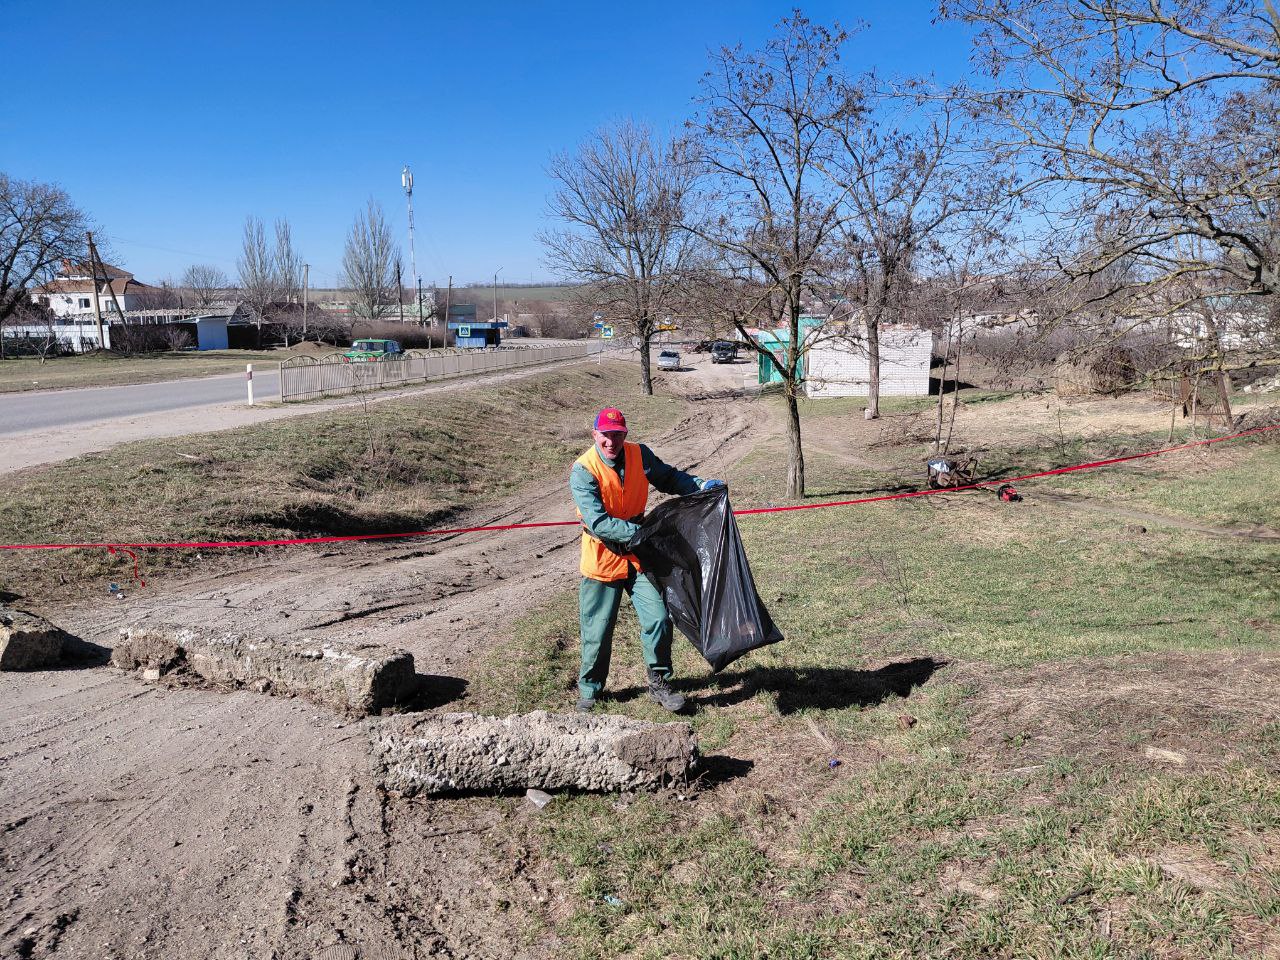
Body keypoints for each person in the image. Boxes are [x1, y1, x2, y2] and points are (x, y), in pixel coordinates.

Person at [569, 407, 725, 713]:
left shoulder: (640, 454)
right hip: (602, 556)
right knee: (597, 628)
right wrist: (643, 533)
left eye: (617, 435)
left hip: (638, 557)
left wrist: (699, 485)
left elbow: (667, 478)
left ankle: (659, 683)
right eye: (605, 435)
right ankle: (590, 690)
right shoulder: (583, 470)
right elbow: (599, 522)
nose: (611, 442)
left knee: (658, 618)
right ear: (594, 435)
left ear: (625, 434)